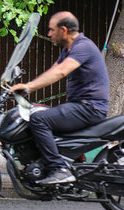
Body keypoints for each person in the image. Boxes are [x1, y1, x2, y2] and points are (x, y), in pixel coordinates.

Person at [10, 11, 109, 185]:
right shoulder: (68, 50)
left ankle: (59, 169)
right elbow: (54, 70)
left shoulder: (83, 47)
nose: (48, 34)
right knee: (41, 113)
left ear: (63, 30)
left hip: (89, 108)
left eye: (51, 30)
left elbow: (61, 72)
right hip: (81, 106)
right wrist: (26, 90)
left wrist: (29, 86)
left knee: (39, 120)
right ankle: (63, 163)